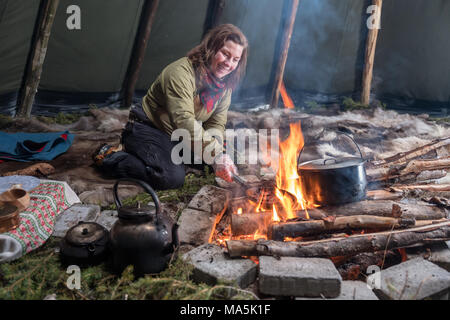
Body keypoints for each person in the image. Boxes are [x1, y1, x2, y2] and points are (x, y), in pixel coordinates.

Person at [93, 24, 249, 190]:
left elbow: (215, 124)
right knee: (171, 177)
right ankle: (112, 157)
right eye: (225, 54)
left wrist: (219, 157)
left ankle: (170, 156)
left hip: (180, 135)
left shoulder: (224, 87)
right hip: (148, 128)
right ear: (211, 48)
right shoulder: (180, 73)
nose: (229, 63)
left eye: (235, 59)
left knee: (231, 157)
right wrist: (216, 155)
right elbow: (184, 120)